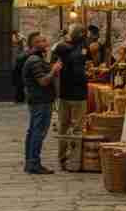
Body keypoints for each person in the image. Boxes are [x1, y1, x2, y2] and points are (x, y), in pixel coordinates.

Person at [22, 32, 62, 174]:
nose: (46, 43)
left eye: (45, 40)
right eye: (42, 41)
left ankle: (30, 162)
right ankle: (33, 163)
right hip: (40, 100)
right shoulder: (34, 61)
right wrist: (54, 70)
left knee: (33, 131)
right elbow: (43, 81)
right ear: (35, 44)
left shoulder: (36, 59)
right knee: (38, 132)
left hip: (39, 100)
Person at [52, 24, 89, 172]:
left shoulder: (62, 48)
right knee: (77, 128)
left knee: (63, 125)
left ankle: (62, 158)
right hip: (78, 94)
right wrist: (86, 77)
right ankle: (74, 161)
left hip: (64, 93)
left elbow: (56, 51)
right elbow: (79, 73)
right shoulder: (80, 51)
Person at [10, 31, 27, 103]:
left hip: (20, 66)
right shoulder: (16, 48)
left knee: (20, 83)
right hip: (17, 66)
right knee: (18, 84)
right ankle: (19, 98)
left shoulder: (21, 48)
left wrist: (22, 38)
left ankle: (20, 98)